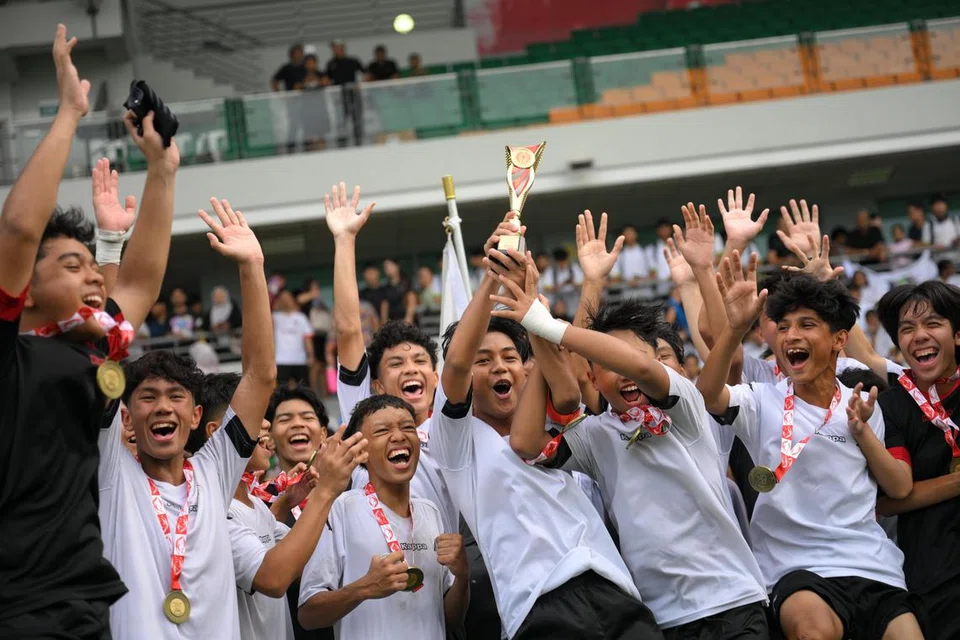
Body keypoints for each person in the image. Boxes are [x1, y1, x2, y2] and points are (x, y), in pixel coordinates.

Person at [500, 212, 768, 638]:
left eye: (631, 359)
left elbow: (639, 366)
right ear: (592, 376)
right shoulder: (594, 436)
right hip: (660, 616)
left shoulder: (685, 407)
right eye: (606, 364)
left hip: (733, 600)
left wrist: (551, 324)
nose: (624, 373)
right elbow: (525, 443)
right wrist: (537, 333)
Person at [0, 24, 179, 637]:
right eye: (71, 265)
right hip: (18, 606)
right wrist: (70, 114)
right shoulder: (10, 351)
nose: (92, 279)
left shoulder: (87, 349)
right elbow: (21, 230)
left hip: (82, 601)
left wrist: (162, 168)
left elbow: (142, 280)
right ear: (26, 285)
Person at [435, 212, 660, 640]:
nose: (498, 366)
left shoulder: (559, 437)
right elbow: (458, 361)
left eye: (509, 357)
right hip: (539, 606)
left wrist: (543, 305)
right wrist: (493, 276)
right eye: (485, 360)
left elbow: (569, 379)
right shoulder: (456, 444)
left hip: (614, 589)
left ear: (525, 370)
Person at [696, 264, 922, 640]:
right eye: (783, 327)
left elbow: (898, 488)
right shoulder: (760, 400)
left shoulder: (864, 403)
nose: (790, 336)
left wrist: (861, 430)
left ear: (839, 339)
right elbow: (707, 396)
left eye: (806, 325)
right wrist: (735, 329)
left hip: (871, 565)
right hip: (796, 568)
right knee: (813, 632)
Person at [98, 198, 277, 638]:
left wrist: (252, 266)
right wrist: (108, 249)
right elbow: (100, 356)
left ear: (196, 415)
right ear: (126, 414)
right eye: (148, 397)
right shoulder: (112, 474)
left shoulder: (214, 471)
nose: (162, 407)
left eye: (176, 396)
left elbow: (260, 377)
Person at [298, 395, 469, 638]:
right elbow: (308, 614)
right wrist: (365, 587)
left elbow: (449, 620)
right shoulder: (342, 509)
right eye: (382, 431)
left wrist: (462, 575)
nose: (399, 436)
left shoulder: (430, 511)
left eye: (408, 427)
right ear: (362, 451)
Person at [229, 413, 366, 640]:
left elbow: (302, 562)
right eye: (255, 414)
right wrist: (326, 489)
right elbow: (274, 578)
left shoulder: (255, 505)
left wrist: (284, 504)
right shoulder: (215, 509)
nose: (265, 424)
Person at [876, 282, 960, 640]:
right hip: (934, 575)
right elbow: (891, 499)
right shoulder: (891, 406)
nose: (919, 336)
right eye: (907, 329)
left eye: (933, 324)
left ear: (957, 334)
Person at [274, 289, 315, 388]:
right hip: (281, 361)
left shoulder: (301, 318)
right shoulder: (274, 317)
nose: (286, 301)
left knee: (305, 390)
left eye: (288, 298)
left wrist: (311, 355)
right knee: (281, 391)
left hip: (299, 360)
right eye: (283, 298)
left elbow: (307, 339)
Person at [326, 41, 365, 146]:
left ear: (343, 48)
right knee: (340, 121)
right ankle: (342, 144)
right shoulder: (331, 64)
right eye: (335, 48)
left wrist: (359, 84)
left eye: (339, 48)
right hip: (339, 96)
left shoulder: (352, 61)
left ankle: (359, 142)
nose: (337, 50)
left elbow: (365, 73)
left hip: (353, 94)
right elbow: (327, 79)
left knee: (356, 119)